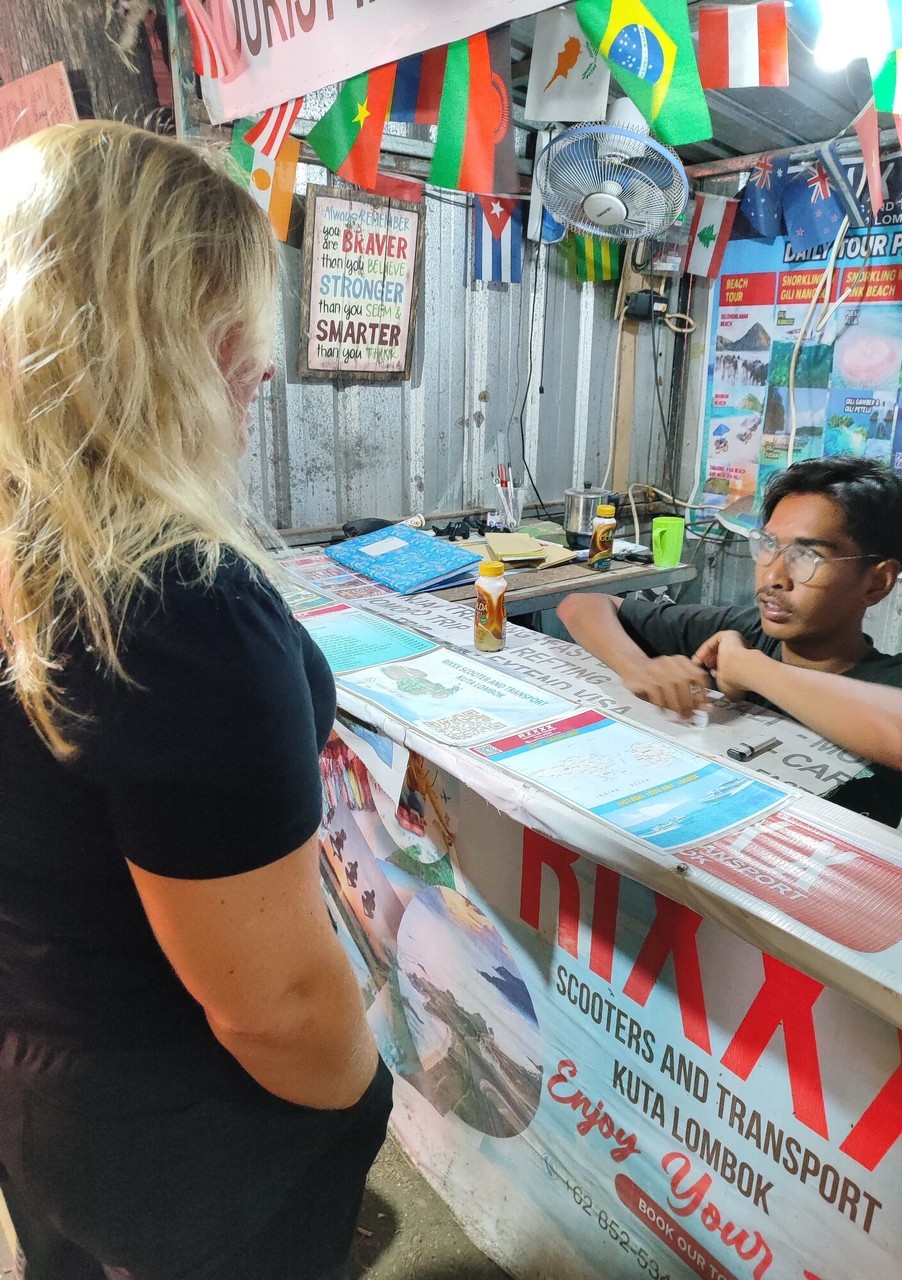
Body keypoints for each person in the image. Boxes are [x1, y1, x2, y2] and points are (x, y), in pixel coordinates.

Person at [0, 121, 391, 1279]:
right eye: (244, 353)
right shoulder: (175, 601)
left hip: (40, 1061)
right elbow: (271, 1004)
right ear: (169, 341)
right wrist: (355, 1098)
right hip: (185, 1122)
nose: (256, 381)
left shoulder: (38, 558)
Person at [557, 458, 902, 827]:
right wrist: (638, 667)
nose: (773, 576)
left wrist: (750, 668)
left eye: (807, 555)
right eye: (768, 546)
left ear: (876, 582)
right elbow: (582, 605)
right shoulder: (743, 629)